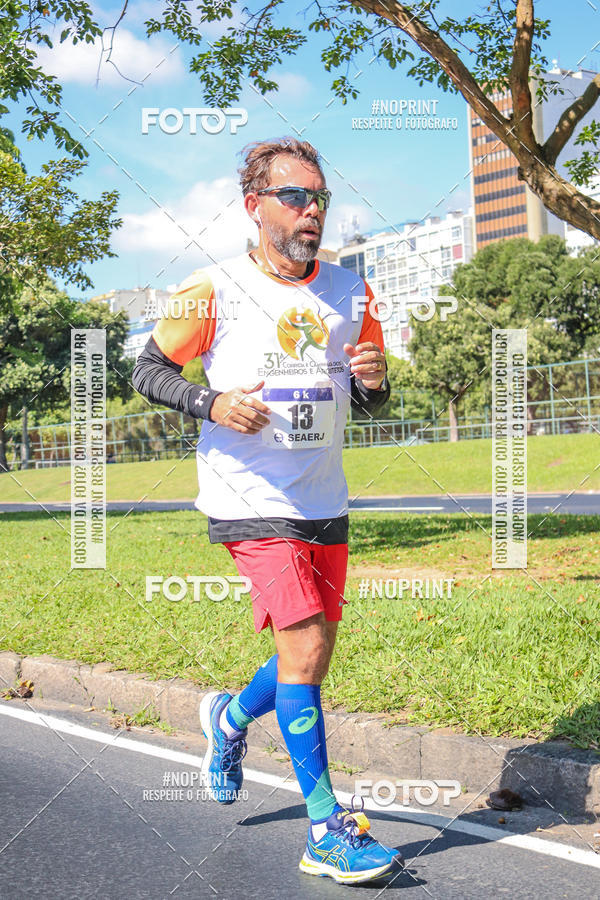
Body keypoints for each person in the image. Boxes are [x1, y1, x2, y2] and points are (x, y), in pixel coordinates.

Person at [132, 137, 403, 885]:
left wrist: (375, 382)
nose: (312, 210)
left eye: (320, 198)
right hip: (246, 496)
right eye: (295, 196)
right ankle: (326, 829)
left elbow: (371, 400)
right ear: (255, 206)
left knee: (307, 655)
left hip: (323, 496)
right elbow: (147, 369)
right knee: (306, 646)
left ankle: (228, 718)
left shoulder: (353, 292)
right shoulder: (210, 289)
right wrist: (211, 401)